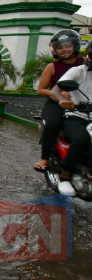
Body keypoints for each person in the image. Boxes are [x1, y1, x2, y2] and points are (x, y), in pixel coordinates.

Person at [34, 29, 83, 172]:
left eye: (68, 46)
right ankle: (45, 158)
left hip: (82, 104)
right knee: (54, 123)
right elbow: (41, 89)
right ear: (55, 50)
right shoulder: (52, 67)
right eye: (60, 47)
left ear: (75, 46)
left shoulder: (85, 65)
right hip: (56, 103)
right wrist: (60, 94)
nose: (64, 50)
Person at [49, 41, 92, 195]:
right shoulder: (78, 71)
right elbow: (55, 90)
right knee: (81, 139)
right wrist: (63, 100)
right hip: (77, 116)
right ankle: (65, 176)